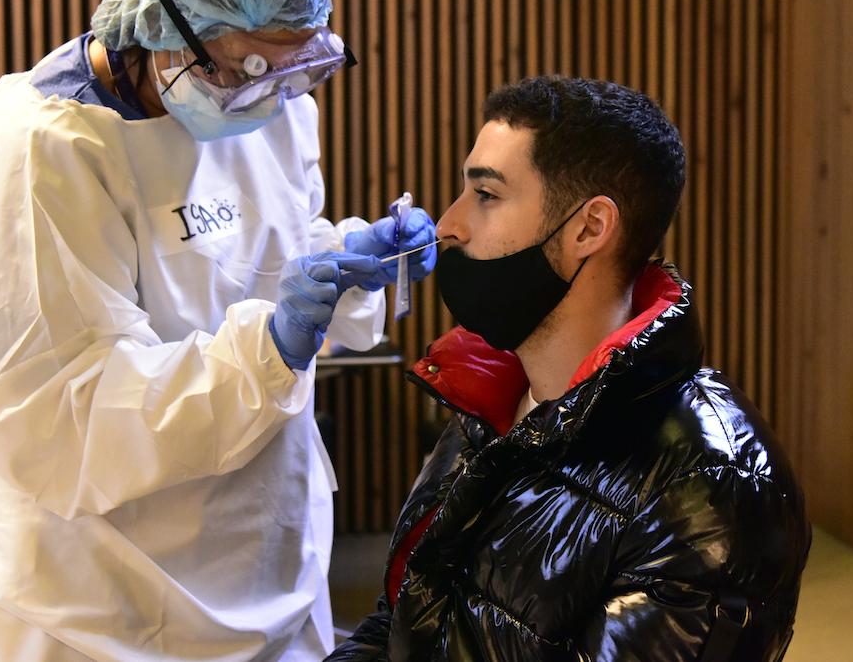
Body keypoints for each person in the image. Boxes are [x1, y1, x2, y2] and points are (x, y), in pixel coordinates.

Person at [0, 0, 435, 662]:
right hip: (98, 606)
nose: (272, 94)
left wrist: (345, 264)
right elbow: (65, 418)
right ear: (158, 19)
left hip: (267, 567)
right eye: (247, 68)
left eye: (294, 66)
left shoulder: (274, 110)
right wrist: (270, 346)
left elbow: (265, 257)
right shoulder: (38, 153)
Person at [328, 77, 810, 662]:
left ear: (589, 229)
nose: (447, 225)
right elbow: (402, 620)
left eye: (486, 195)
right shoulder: (487, 407)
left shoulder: (711, 493)